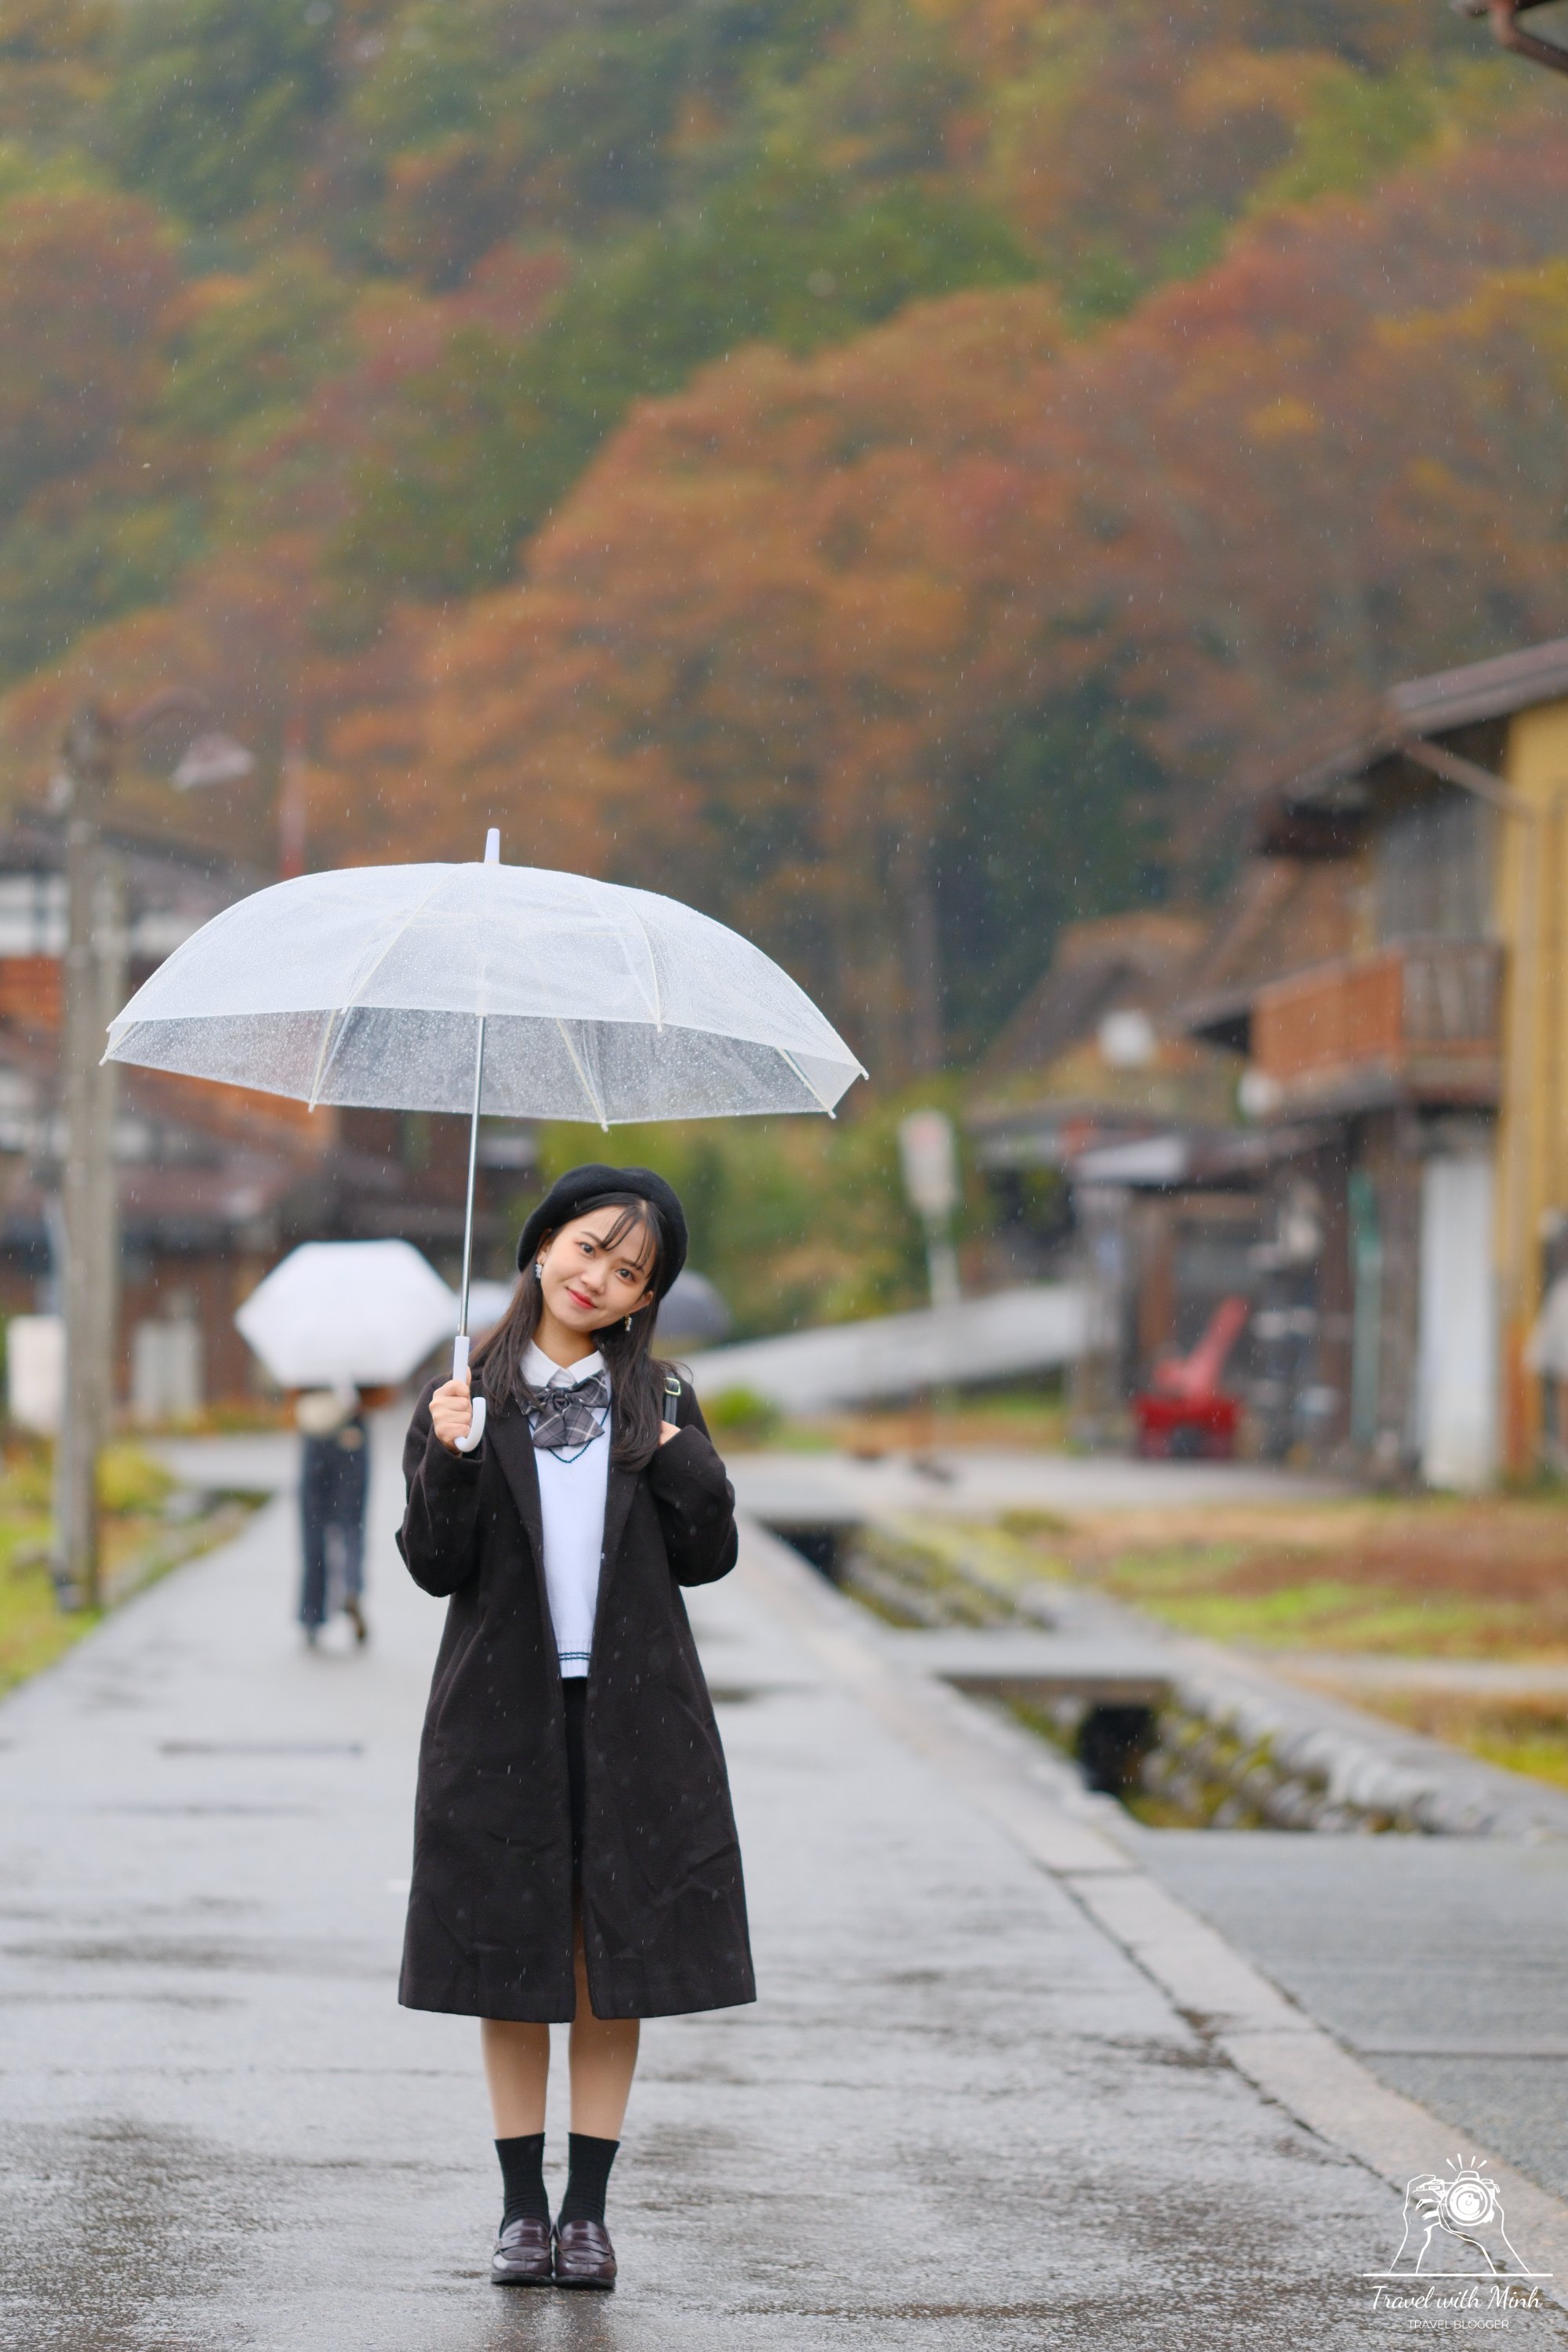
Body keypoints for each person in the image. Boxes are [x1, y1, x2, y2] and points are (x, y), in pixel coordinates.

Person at [396, 1164, 753, 2292]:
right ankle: (518, 2213)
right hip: (499, 1716)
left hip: (633, 1716)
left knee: (612, 1962)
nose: (602, 1277)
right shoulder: (463, 1392)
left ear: (649, 1299)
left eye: (632, 1271)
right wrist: (447, 1459)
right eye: (590, 1247)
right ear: (543, 1243)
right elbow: (432, 1566)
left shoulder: (666, 1396)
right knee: (511, 1959)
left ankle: (587, 2214)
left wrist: (675, 1444)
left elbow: (709, 1555)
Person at [296, 1385, 370, 1646]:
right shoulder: (365, 1350)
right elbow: (384, 1394)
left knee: (313, 1528)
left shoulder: (304, 1352)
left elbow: (292, 1390)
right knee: (352, 1524)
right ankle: (351, 1587)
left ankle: (312, 1615)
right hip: (351, 1434)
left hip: (315, 1434)